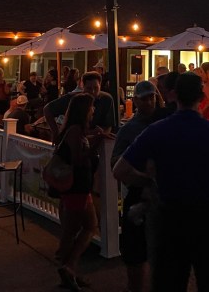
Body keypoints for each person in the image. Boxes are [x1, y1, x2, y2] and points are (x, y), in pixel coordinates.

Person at [113, 72, 209, 292]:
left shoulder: (156, 131)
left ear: (173, 95)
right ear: (202, 97)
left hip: (169, 221)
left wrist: (150, 182)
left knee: (169, 283)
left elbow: (120, 170)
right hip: (206, 219)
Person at [110, 80, 159, 292]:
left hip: (161, 197)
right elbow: (116, 162)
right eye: (145, 98)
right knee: (136, 254)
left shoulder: (164, 122)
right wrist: (141, 178)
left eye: (152, 97)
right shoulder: (129, 129)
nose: (149, 101)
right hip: (139, 194)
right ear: (135, 101)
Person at [55, 93, 100, 292]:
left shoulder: (77, 131)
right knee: (86, 226)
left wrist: (94, 137)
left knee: (78, 227)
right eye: (91, 107)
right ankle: (68, 265)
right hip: (76, 187)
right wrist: (96, 144)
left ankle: (69, 269)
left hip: (79, 187)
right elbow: (78, 160)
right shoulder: (74, 131)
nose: (93, 110)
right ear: (84, 110)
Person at [43, 71, 115, 144]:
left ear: (100, 85)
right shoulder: (74, 99)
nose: (93, 92)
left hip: (96, 140)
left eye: (96, 88)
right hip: (75, 140)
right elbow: (47, 109)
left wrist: (102, 135)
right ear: (82, 87)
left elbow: (108, 125)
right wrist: (55, 132)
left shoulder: (106, 99)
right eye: (89, 88)